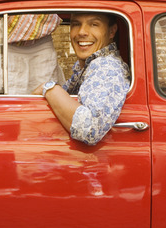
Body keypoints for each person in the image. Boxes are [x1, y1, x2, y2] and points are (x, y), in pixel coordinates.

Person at [34, 12, 130, 146]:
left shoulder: (107, 67)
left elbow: (90, 129)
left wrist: (50, 89)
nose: (82, 32)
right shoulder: (90, 66)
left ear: (111, 31)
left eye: (94, 24)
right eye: (76, 24)